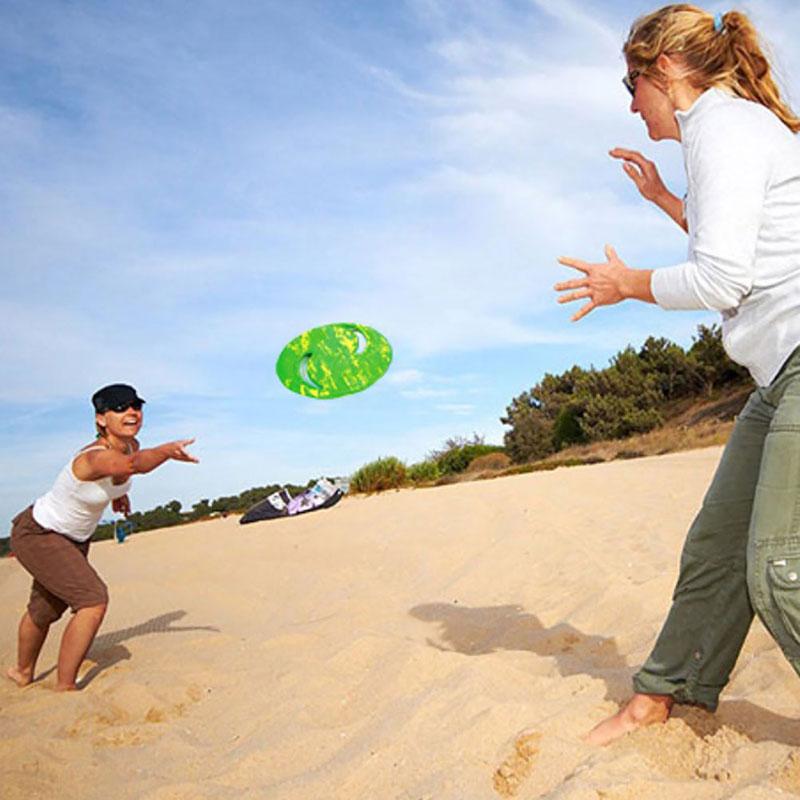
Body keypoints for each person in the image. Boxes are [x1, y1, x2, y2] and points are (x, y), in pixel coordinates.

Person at [554, 4, 800, 745]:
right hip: (778, 374)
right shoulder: (722, 132)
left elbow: (722, 279)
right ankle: (663, 695)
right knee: (717, 547)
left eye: (630, 85)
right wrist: (664, 199)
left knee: (776, 567)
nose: (632, 105)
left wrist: (624, 284)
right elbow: (743, 245)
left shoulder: (724, 128)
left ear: (663, 69)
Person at [6, 383, 198, 691]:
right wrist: (165, 451)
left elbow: (120, 472)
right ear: (100, 419)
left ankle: (21, 671)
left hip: (73, 539)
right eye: (120, 407)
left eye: (136, 405)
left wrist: (118, 496)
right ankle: (65, 686)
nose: (131, 412)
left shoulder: (130, 445)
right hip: (39, 533)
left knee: (45, 610)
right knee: (92, 600)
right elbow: (131, 466)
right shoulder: (93, 457)